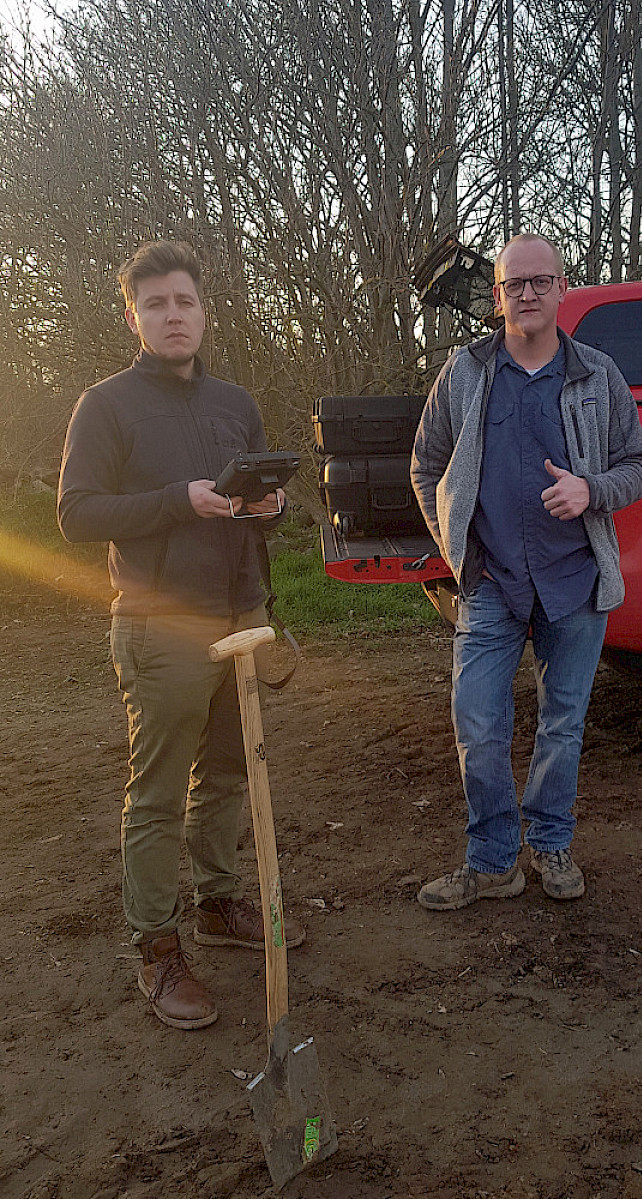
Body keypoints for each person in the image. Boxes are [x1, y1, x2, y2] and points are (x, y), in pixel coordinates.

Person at [58, 240, 304, 1030]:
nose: (173, 315)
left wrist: (269, 511)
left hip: (241, 618)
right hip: (159, 625)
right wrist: (177, 499)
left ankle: (218, 901)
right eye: (156, 303)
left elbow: (253, 503)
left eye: (185, 301)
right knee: (158, 792)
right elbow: (77, 514)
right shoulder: (106, 406)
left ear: (205, 311)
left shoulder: (235, 402)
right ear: (132, 315)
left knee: (229, 774)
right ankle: (156, 948)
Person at [410, 233, 642, 910]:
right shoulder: (464, 372)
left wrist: (590, 491)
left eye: (541, 281)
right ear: (496, 296)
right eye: (514, 283)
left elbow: (640, 465)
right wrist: (457, 548)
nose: (528, 293)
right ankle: (493, 861)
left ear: (562, 288)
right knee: (479, 724)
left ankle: (550, 844)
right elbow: (425, 463)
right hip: (491, 584)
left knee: (562, 724)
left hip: (574, 583)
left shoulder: (597, 375)